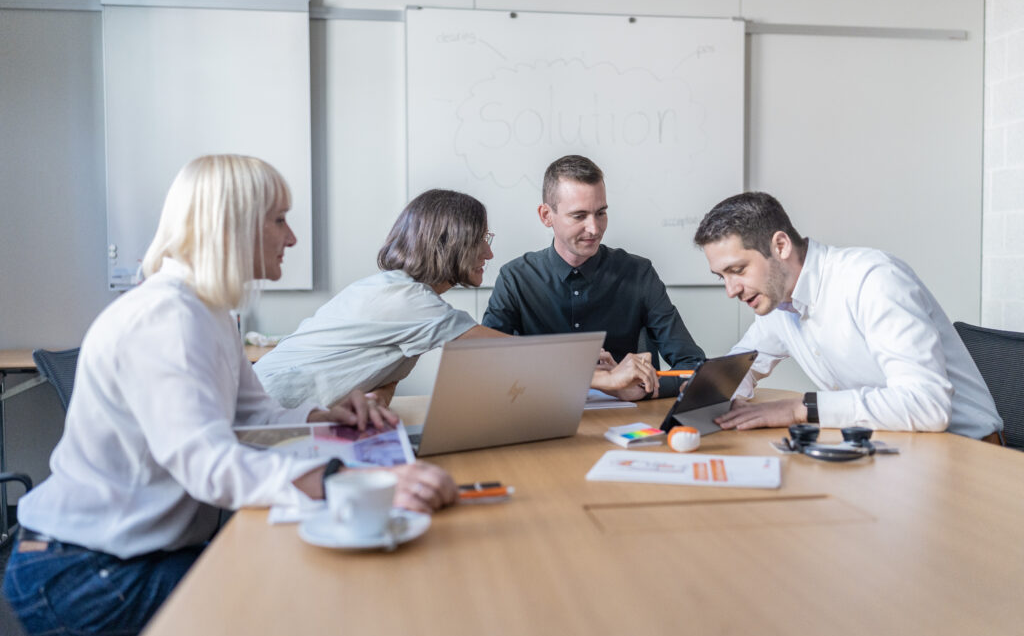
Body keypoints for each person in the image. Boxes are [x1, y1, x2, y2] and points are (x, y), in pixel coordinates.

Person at [3, 155, 457, 636]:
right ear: (232, 225)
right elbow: (209, 465)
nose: (292, 238)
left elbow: (254, 418)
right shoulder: (166, 318)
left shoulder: (209, 312)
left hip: (132, 554)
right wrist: (354, 479)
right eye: (279, 220)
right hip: (85, 575)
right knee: (311, 602)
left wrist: (323, 417)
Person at [256, 189, 652, 408]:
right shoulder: (406, 303)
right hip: (270, 420)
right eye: (482, 240)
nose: (489, 253)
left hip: (286, 417)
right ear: (453, 244)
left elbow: (380, 386)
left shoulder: (398, 294)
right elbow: (513, 355)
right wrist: (606, 378)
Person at [693, 191, 1003, 441]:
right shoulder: (779, 303)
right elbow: (742, 365)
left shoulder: (872, 279)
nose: (731, 290)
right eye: (722, 277)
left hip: (969, 453)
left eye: (738, 270)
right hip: (900, 448)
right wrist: (705, 393)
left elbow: (927, 405)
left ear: (780, 245)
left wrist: (800, 409)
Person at [482, 155, 705, 400]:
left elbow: (693, 367)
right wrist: (601, 380)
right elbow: (486, 367)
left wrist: (639, 390)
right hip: (539, 414)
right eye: (579, 216)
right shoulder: (515, 279)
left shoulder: (639, 273)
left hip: (624, 422)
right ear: (546, 215)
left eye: (601, 213)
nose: (595, 228)